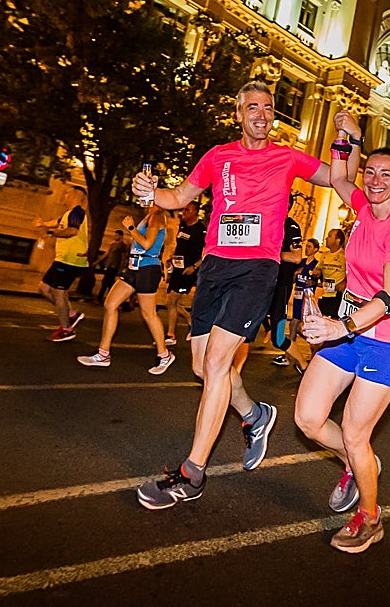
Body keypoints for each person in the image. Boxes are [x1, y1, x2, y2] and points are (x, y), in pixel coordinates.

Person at [134, 80, 332, 510]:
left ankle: (192, 474)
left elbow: (337, 177)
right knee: (202, 367)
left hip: (257, 269)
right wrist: (149, 192)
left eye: (269, 107)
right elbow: (178, 196)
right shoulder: (217, 156)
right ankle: (254, 415)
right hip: (215, 266)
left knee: (217, 363)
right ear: (239, 114)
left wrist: (346, 142)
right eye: (253, 107)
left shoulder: (287, 157)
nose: (262, 114)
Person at [297, 115, 390, 553]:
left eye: (386, 175)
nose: (376, 180)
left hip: (386, 340)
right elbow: (338, 177)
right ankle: (358, 463)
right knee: (308, 418)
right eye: (371, 172)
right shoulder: (362, 208)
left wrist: (340, 325)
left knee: (353, 430)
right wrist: (344, 139)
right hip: (350, 330)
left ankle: (370, 516)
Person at [77, 203, 174, 374]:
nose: (142, 199)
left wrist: (130, 228)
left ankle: (164, 355)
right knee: (110, 304)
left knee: (149, 314)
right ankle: (103, 354)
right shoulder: (148, 216)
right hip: (133, 268)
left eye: (146, 196)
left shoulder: (157, 217)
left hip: (147, 269)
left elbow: (147, 244)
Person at [33, 186, 89, 342]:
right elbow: (56, 222)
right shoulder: (68, 214)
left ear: (75, 196)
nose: (64, 195)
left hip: (71, 260)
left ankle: (66, 330)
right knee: (44, 288)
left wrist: (50, 233)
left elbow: (72, 231)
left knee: (59, 293)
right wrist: (43, 224)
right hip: (62, 259)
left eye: (67, 193)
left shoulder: (77, 212)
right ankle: (71, 314)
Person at [267, 196, 309, 373]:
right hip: (262, 284)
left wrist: (269, 253)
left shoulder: (291, 227)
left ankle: (304, 365)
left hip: (281, 286)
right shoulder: (266, 222)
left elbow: (296, 257)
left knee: (278, 339)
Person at [165, 202, 206, 345]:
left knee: (172, 301)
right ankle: (191, 322)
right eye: (183, 209)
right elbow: (179, 246)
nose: (184, 212)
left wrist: (194, 267)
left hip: (188, 271)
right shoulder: (182, 226)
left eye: (188, 210)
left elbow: (206, 252)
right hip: (177, 268)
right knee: (171, 302)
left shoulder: (201, 231)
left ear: (195, 212)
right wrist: (171, 259)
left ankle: (171, 335)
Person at [280, 236, 319, 368]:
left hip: (307, 300)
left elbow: (317, 281)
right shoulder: (300, 262)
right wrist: (295, 274)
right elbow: (292, 279)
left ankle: (314, 351)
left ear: (315, 249)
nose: (306, 249)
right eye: (306, 246)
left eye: (309, 247)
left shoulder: (316, 264)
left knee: (301, 327)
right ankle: (287, 356)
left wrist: (312, 280)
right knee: (293, 325)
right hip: (297, 297)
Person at [317, 227, 347, 317]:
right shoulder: (324, 255)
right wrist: (316, 272)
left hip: (337, 295)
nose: (326, 238)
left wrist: (345, 282)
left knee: (333, 320)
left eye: (330, 236)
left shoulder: (345, 256)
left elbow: (352, 273)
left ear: (338, 240)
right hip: (325, 293)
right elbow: (318, 269)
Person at [92, 230, 128, 305]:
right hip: (109, 266)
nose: (115, 237)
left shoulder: (122, 246)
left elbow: (123, 257)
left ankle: (102, 298)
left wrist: (120, 268)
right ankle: (108, 299)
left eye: (117, 235)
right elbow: (107, 254)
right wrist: (97, 261)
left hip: (114, 267)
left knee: (106, 282)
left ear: (121, 236)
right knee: (108, 283)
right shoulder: (113, 245)